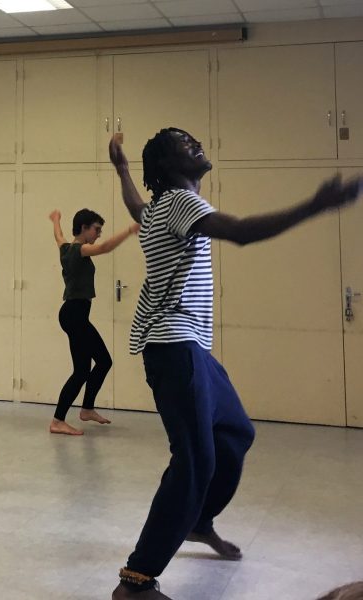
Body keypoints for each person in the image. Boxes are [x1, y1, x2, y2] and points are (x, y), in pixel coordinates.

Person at [108, 131, 361, 600]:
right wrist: (315, 205)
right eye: (184, 142)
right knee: (193, 462)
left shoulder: (162, 207)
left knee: (235, 433)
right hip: (174, 345)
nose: (195, 143)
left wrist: (122, 170)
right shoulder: (181, 202)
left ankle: (196, 519)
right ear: (168, 163)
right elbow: (240, 231)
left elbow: (134, 209)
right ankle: (136, 582)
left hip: (191, 350)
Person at [47, 208, 138, 435]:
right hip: (75, 313)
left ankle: (86, 409)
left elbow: (58, 236)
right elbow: (104, 248)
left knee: (93, 365)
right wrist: (128, 230)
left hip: (73, 313)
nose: (98, 234)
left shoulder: (66, 249)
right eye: (96, 229)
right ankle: (58, 420)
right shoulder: (80, 249)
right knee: (88, 368)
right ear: (84, 228)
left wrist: (56, 219)